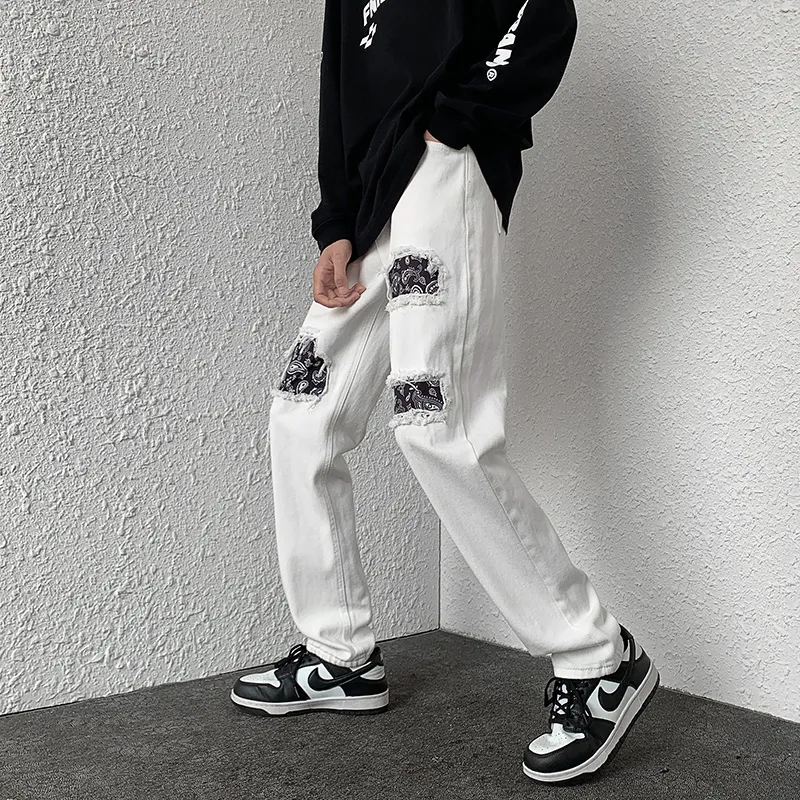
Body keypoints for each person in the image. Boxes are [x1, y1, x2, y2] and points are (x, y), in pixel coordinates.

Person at [230, 0, 660, 784]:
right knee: (302, 411)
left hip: (442, 174)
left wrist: (457, 121)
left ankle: (598, 656)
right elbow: (340, 85)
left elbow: (541, 13)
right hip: (373, 202)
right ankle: (340, 653)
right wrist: (337, 221)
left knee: (436, 421)